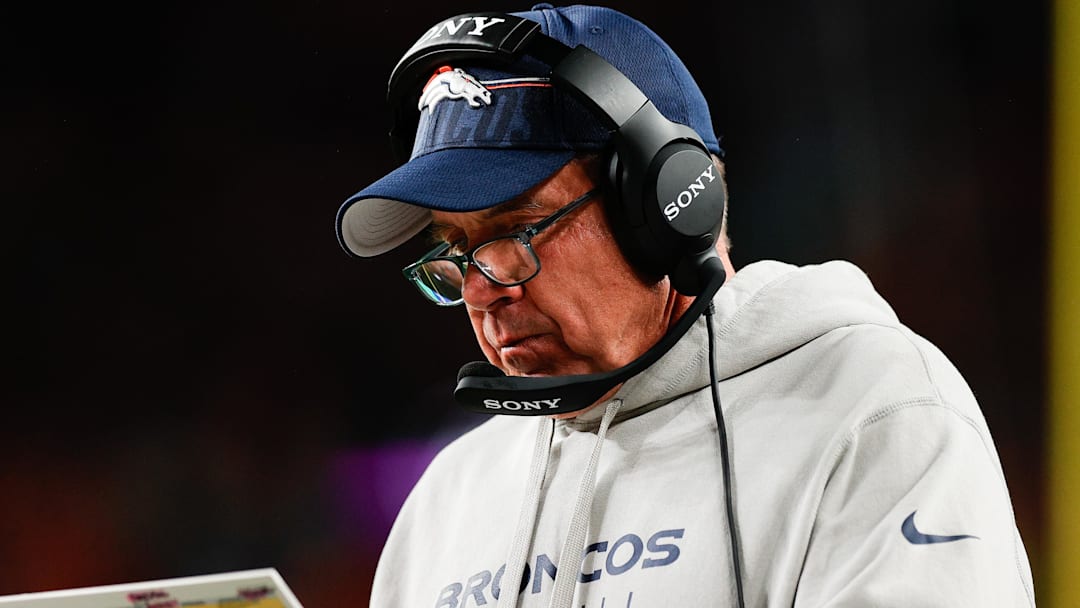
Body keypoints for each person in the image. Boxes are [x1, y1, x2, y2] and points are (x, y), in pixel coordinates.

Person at [334, 4, 1035, 607]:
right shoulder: (450, 497)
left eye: (514, 231)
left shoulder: (874, 411)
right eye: (455, 252)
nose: (483, 290)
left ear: (667, 206)